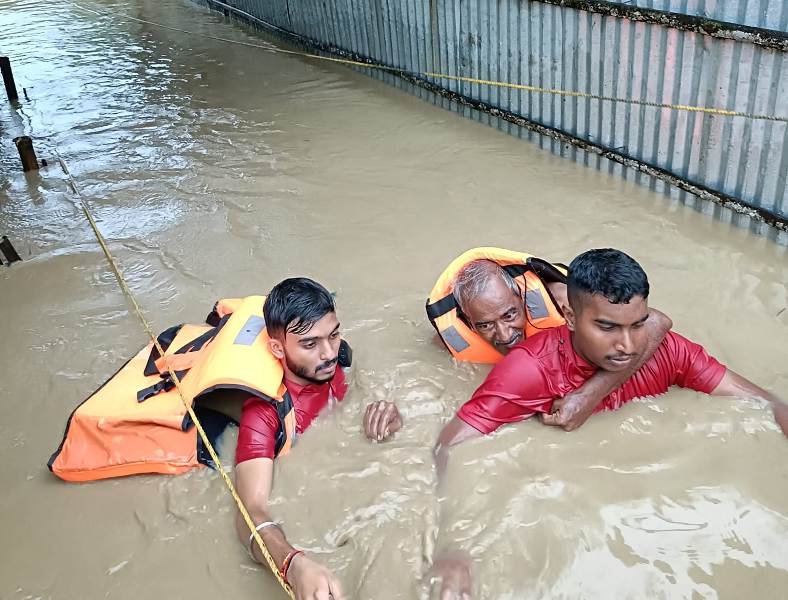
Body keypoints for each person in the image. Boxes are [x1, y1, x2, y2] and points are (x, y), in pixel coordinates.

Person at [430, 249, 788, 598]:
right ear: (569, 317)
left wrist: (590, 394)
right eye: (607, 327)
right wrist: (451, 545)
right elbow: (450, 445)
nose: (628, 345)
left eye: (638, 324)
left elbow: (766, 403)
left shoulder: (669, 350)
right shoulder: (529, 370)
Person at [234, 277, 399, 600]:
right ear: (278, 348)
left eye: (334, 335)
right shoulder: (264, 414)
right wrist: (293, 565)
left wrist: (387, 412)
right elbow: (248, 512)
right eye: (310, 344)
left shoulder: (333, 359)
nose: (329, 353)